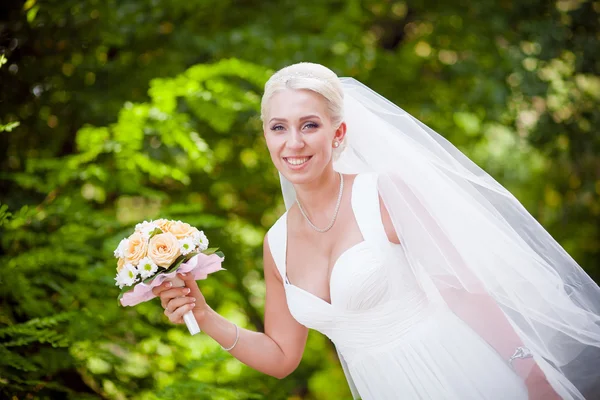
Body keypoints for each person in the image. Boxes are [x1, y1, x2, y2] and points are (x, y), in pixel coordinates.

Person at [153, 63, 600, 399]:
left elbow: (466, 290)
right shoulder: (275, 244)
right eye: (278, 128)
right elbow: (282, 357)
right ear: (266, 136)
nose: (294, 142)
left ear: (339, 132)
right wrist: (206, 316)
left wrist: (531, 372)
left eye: (310, 124)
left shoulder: (383, 193)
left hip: (464, 374)